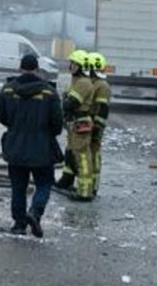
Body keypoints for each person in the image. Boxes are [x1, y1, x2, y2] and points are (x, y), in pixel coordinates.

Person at [0, 51, 63, 237]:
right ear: (38, 69)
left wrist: (14, 126)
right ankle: (35, 213)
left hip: (15, 147)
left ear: (20, 68)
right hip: (42, 149)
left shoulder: (8, 89)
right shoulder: (49, 91)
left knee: (18, 186)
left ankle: (19, 224)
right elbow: (57, 124)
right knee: (45, 183)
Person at [59, 49, 96, 200]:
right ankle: (67, 182)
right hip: (74, 123)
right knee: (71, 154)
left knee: (82, 157)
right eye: (71, 63)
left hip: (81, 123)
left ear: (80, 66)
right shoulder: (76, 81)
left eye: (73, 63)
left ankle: (85, 192)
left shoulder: (84, 83)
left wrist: (62, 102)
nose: (70, 66)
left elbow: (70, 103)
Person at [85, 52, 112, 200]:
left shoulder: (102, 86)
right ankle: (88, 186)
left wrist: (97, 129)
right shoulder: (92, 83)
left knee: (94, 156)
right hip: (87, 125)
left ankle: (93, 187)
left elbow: (102, 110)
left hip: (94, 126)